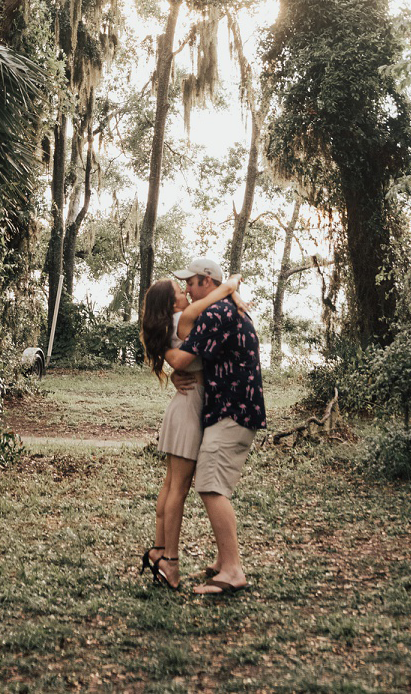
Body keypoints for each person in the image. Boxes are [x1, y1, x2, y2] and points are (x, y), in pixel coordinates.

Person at [166, 254, 266, 596]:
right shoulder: (227, 308)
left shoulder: (216, 314)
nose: (187, 290)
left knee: (211, 487)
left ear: (207, 281)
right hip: (231, 409)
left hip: (232, 411)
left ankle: (234, 570)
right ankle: (225, 562)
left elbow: (181, 356)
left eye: (191, 283)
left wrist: (159, 348)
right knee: (212, 484)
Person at [138, 268, 243, 590]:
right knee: (178, 489)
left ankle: (158, 551)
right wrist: (231, 285)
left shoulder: (173, 322)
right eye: (179, 291)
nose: (186, 292)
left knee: (171, 486)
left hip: (184, 407)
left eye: (187, 288)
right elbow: (207, 303)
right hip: (188, 409)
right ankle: (170, 562)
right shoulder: (183, 318)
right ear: (172, 304)